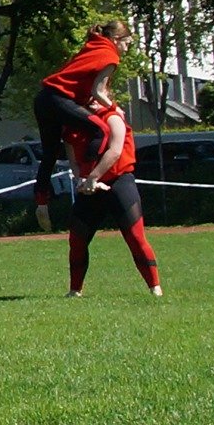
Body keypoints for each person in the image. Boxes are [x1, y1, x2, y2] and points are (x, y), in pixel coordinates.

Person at [33, 20, 132, 231]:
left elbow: (82, 85)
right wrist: (115, 108)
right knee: (101, 129)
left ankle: (41, 203)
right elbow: (98, 91)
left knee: (50, 155)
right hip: (59, 99)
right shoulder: (110, 55)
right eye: (127, 43)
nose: (127, 49)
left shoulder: (93, 46)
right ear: (116, 40)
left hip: (43, 99)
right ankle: (88, 178)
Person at [65, 98, 161, 298]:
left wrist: (93, 177)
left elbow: (115, 151)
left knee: (135, 237)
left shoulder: (113, 117)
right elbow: (73, 161)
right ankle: (75, 290)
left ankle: (155, 288)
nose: (90, 102)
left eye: (94, 97)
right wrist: (83, 180)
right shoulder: (72, 127)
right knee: (77, 240)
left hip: (119, 182)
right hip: (90, 188)